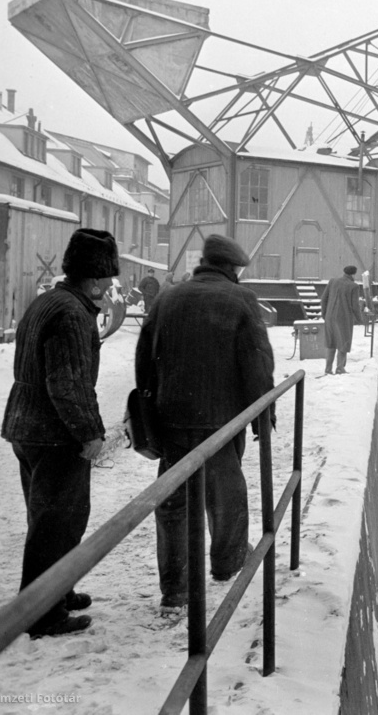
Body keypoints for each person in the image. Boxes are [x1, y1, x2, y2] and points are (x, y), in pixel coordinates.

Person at [138, 234, 276, 613]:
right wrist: (263, 416)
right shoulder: (241, 300)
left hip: (172, 420)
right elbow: (257, 363)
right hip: (221, 421)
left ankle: (176, 588)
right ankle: (226, 562)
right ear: (233, 269)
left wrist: (150, 415)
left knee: (173, 504)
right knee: (226, 493)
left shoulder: (168, 297)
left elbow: (144, 360)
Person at [2, 228, 118, 638]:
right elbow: (67, 383)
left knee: (46, 518)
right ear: (92, 277)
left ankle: (58, 589)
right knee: (59, 522)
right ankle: (43, 614)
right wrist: (90, 433)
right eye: (107, 279)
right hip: (54, 432)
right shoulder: (71, 314)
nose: (110, 286)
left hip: (27, 426)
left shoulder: (49, 300)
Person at [321, 265, 366, 374]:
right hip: (344, 318)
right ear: (353, 274)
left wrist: (324, 314)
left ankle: (328, 369)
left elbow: (323, 299)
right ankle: (340, 368)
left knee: (331, 342)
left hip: (329, 317)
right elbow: (355, 306)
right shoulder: (354, 286)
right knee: (343, 342)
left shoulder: (332, 281)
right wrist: (361, 319)